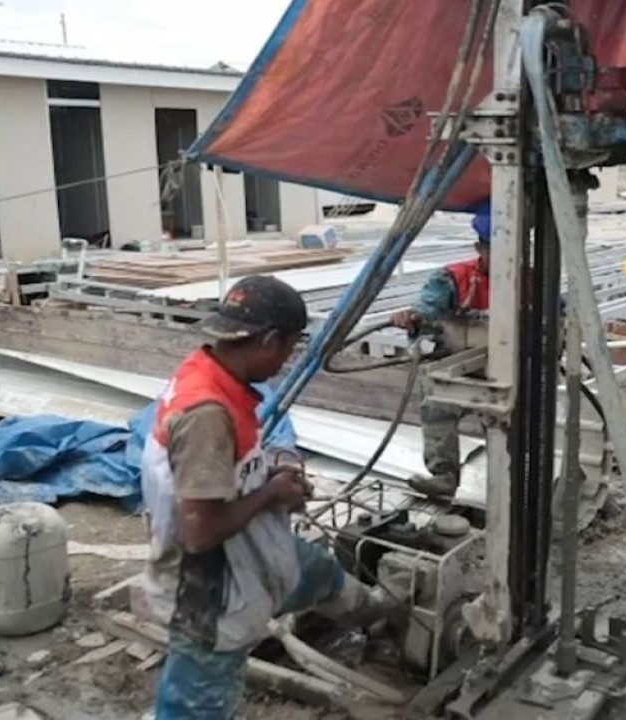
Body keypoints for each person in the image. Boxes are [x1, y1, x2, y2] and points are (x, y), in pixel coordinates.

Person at [142, 275, 392, 719]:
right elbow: (200, 532)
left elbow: (226, 471)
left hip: (247, 550)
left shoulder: (211, 373)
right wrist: (273, 492)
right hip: (207, 587)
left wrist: (270, 476)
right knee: (196, 699)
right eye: (290, 348)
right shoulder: (207, 415)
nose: (286, 361)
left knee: (317, 569)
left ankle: (382, 617)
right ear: (270, 341)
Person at [390, 205, 491, 499]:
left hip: (508, 369)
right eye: (495, 249)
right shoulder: (452, 278)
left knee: (508, 428)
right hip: (458, 365)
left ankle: (512, 479)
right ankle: (445, 475)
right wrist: (414, 316)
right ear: (479, 247)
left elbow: (556, 315)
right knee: (437, 405)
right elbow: (428, 305)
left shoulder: (531, 280)